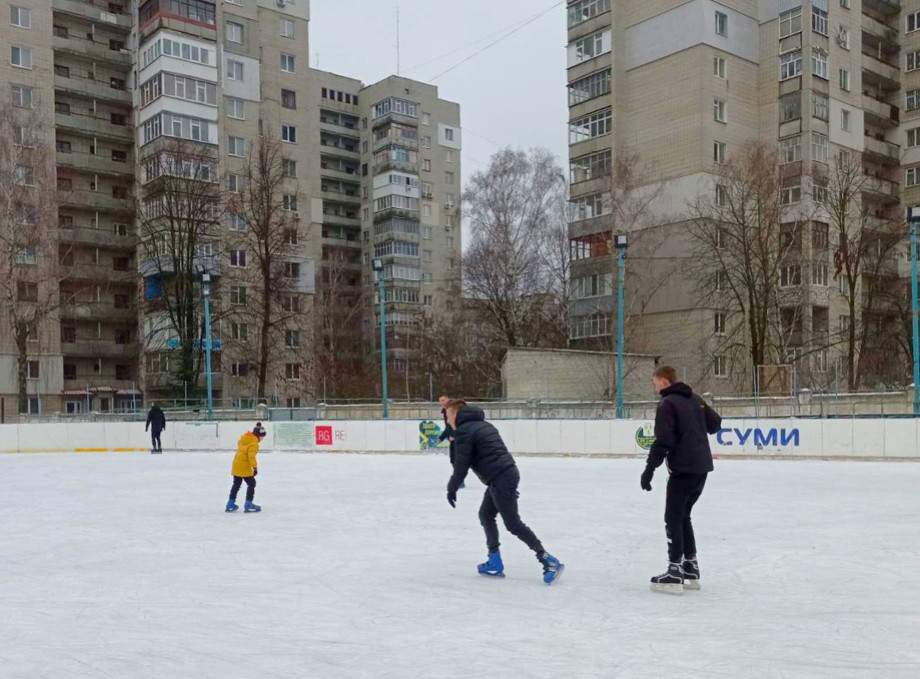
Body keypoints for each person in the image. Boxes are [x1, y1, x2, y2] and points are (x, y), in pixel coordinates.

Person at [445, 400, 564, 585]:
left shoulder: (465, 430)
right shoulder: (483, 425)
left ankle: (548, 560)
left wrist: (452, 487)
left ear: (456, 414)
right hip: (504, 474)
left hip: (500, 478)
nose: (446, 418)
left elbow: (461, 464)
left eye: (448, 414)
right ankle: (494, 561)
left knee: (513, 524)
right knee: (485, 514)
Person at [641, 365, 722, 595]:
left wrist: (649, 469)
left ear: (664, 382)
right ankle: (690, 567)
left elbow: (664, 440)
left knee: (673, 517)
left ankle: (674, 570)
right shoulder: (695, 399)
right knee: (683, 515)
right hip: (701, 469)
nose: (654, 386)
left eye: (655, 382)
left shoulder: (667, 404)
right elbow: (715, 424)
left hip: (683, 469)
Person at [226, 423, 267, 513]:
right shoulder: (254, 443)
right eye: (262, 437)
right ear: (258, 436)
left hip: (236, 465)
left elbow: (239, 444)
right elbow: (251, 456)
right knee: (252, 483)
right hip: (244, 467)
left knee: (236, 484)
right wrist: (255, 467)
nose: (262, 439)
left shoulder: (245, 438)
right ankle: (248, 504)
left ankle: (230, 504)